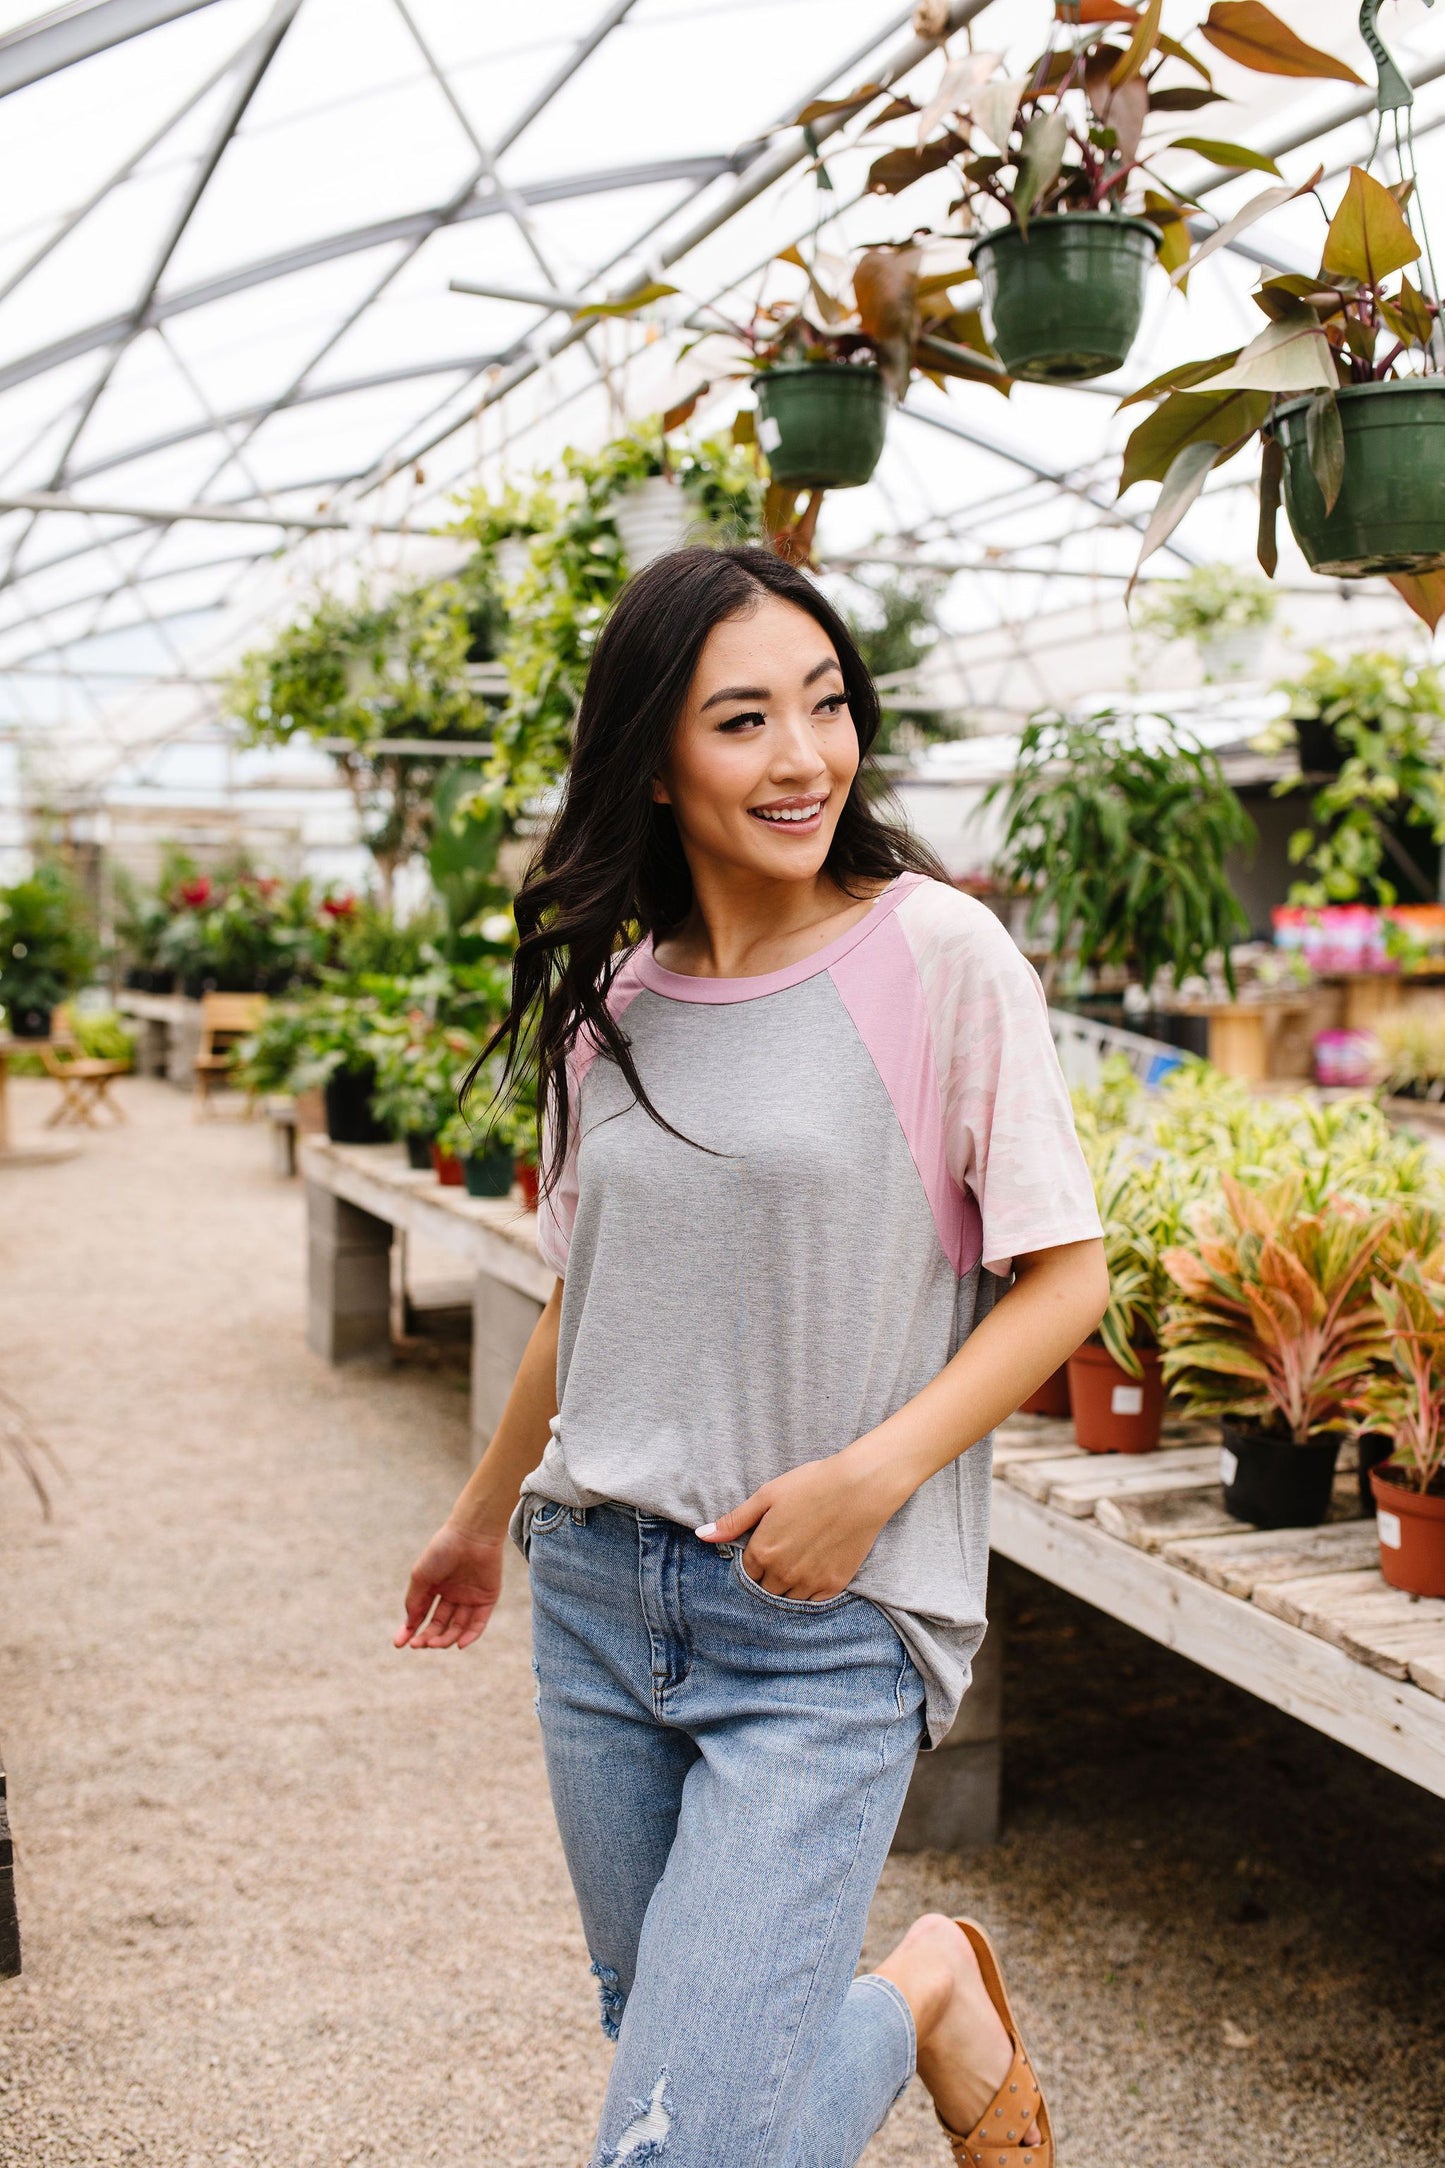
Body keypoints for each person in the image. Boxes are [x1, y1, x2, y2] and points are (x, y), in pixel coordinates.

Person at [396, 545, 1108, 2168]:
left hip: (818, 1620)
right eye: (742, 721)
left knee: (674, 2146)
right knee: (681, 2073)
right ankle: (923, 1992)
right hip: (594, 1595)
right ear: (653, 755)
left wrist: (873, 1479)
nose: (803, 757)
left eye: (826, 704)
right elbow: (592, 1299)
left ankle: (923, 1984)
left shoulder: (936, 955)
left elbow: (1066, 1278)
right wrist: (478, 1513)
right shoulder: (610, 1003)